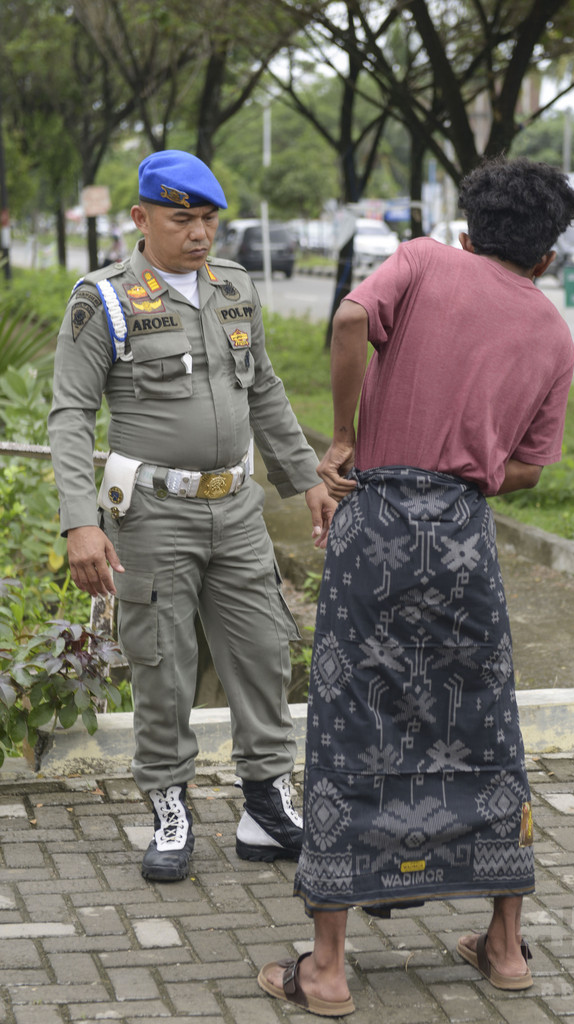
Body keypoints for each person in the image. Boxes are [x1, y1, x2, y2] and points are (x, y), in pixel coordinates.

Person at [257, 156, 574, 1017]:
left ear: (469, 230)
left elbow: (352, 317)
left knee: (349, 717)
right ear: (546, 256)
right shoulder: (553, 333)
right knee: (481, 721)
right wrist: (464, 473)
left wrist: (342, 439)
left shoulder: (425, 260)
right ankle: (504, 948)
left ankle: (326, 971)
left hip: (377, 520)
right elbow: (525, 473)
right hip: (465, 537)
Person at [48, 150, 336, 883]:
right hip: (151, 515)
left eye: (209, 219)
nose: (200, 234)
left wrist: (304, 477)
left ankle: (266, 804)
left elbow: (263, 388)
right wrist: (80, 521)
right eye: (183, 219)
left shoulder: (234, 287)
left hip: (236, 508)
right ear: (141, 219)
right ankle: (169, 808)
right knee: (162, 665)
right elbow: (71, 414)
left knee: (264, 653)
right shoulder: (104, 298)